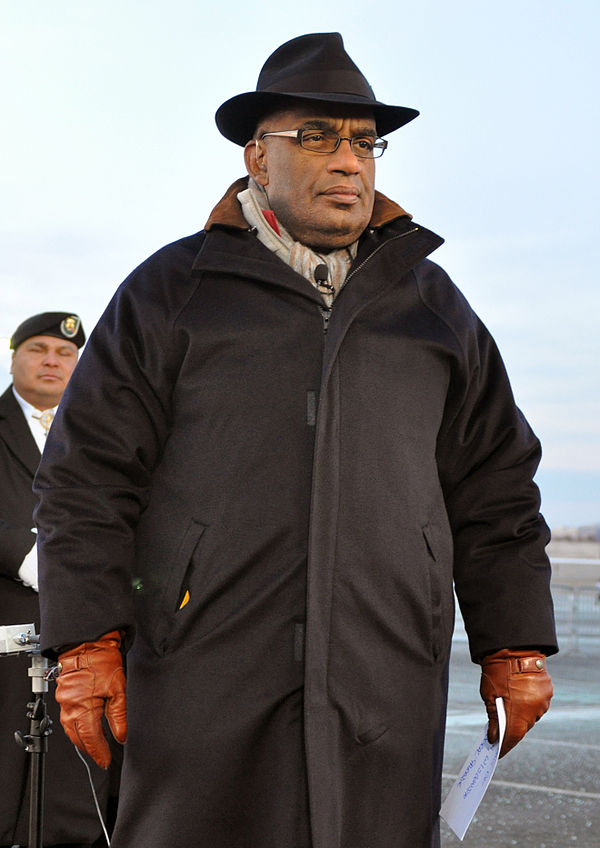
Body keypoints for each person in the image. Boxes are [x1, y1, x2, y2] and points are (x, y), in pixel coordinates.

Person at [34, 33, 558, 848]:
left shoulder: (429, 304)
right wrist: (87, 640)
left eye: (364, 142)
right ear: (255, 155)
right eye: (316, 136)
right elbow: (85, 478)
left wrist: (515, 644)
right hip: (203, 669)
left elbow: (495, 483)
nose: (349, 161)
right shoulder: (173, 292)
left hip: (384, 675)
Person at [0, 313, 113, 847]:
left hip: (83, 632)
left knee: (75, 785)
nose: (51, 360)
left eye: (66, 353)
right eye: (37, 349)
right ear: (14, 355)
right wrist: (23, 554)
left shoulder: (104, 434)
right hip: (6, 626)